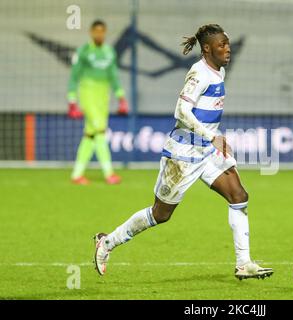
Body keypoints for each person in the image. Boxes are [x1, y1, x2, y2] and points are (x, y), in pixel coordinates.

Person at [93, 24, 273, 280]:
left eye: (228, 43)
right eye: (221, 45)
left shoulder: (218, 70)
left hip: (207, 151)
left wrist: (212, 139)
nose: (227, 48)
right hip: (183, 153)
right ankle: (107, 243)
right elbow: (181, 111)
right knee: (161, 214)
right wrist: (212, 136)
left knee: (238, 195)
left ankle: (243, 263)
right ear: (207, 49)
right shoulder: (199, 74)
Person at [67, 19, 128, 185]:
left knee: (90, 135)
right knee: (100, 132)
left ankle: (77, 174)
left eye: (102, 31)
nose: (99, 34)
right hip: (88, 94)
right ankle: (109, 173)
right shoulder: (83, 51)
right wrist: (72, 100)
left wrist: (120, 97)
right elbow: (74, 77)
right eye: (97, 31)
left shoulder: (109, 52)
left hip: (103, 96)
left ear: (105, 33)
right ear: (91, 32)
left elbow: (113, 76)